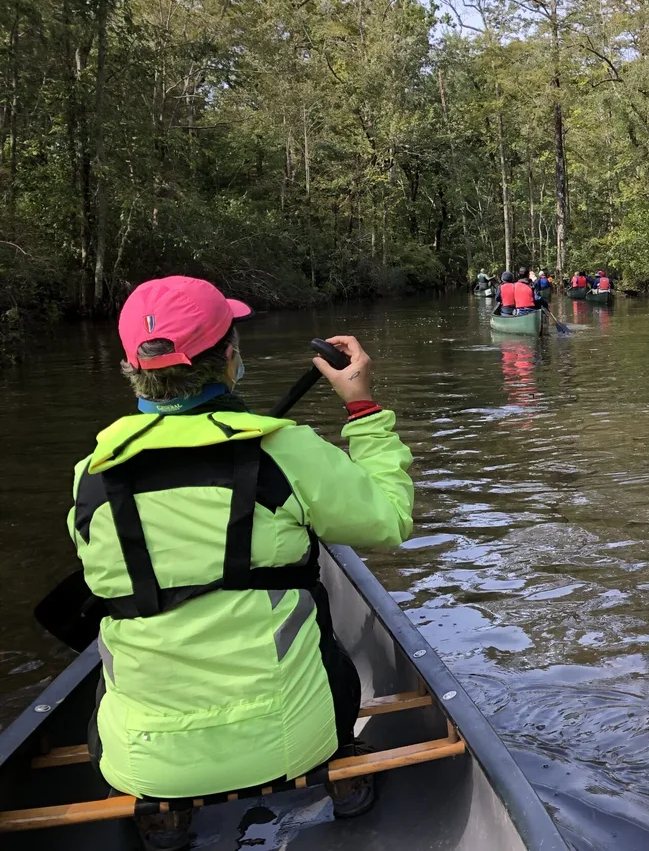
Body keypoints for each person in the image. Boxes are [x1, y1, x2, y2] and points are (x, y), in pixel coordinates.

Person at [68, 276, 414, 849]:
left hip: (144, 765)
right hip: (295, 743)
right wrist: (362, 405)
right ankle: (341, 768)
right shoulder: (284, 450)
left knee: (112, 681)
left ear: (134, 368)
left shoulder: (90, 474)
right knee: (332, 654)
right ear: (230, 359)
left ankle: (165, 811)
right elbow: (390, 519)